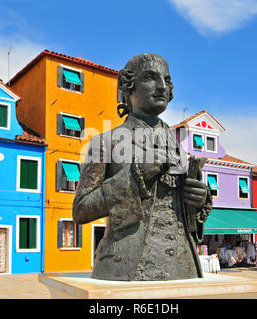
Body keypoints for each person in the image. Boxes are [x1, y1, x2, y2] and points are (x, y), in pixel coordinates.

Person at [73, 53, 212, 281]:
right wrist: (135, 177)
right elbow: (80, 210)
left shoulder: (179, 148)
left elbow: (185, 217)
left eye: (166, 80)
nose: (161, 87)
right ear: (128, 87)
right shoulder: (106, 142)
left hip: (183, 267)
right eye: (150, 78)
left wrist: (198, 200)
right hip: (126, 267)